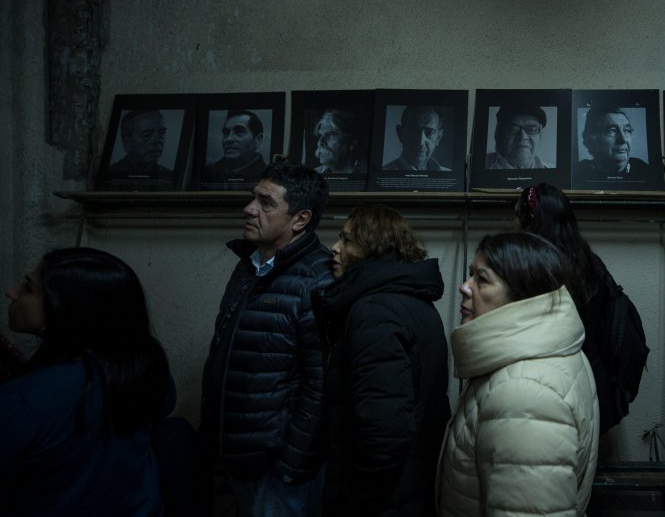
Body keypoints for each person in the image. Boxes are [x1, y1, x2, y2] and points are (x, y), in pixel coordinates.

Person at [200, 163, 332, 517]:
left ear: (300, 220)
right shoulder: (249, 265)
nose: (249, 208)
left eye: (266, 202)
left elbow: (321, 386)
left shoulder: (318, 280)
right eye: (251, 198)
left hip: (279, 469)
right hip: (239, 455)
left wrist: (291, 463)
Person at [0, 247, 175, 515]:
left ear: (63, 308)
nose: (11, 292)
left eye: (29, 288)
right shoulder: (147, 371)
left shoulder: (26, 399)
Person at [436, 231, 599, 516]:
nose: (464, 287)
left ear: (523, 297)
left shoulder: (523, 391)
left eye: (482, 279)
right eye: (470, 274)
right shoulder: (546, 349)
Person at [314, 204, 450, 516]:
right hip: (411, 486)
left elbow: (384, 432)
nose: (334, 248)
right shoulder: (411, 301)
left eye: (347, 240)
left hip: (382, 500)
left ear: (373, 249)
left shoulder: (375, 311)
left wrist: (355, 499)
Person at [514, 182, 648, 434]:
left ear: (529, 221)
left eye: (517, 214)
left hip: (552, 385)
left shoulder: (535, 269)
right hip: (593, 381)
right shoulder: (589, 261)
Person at [574, 106, 658, 182]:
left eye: (627, 130)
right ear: (590, 141)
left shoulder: (647, 172)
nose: (623, 139)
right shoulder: (578, 173)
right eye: (612, 131)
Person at [202, 109, 268, 183]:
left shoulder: (268, 176)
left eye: (239, 131)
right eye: (226, 133)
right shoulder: (208, 172)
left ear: (258, 140)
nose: (228, 139)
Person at [383, 105, 451, 172]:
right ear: (400, 133)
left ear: (438, 137)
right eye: (413, 131)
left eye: (430, 133)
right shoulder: (383, 174)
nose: (420, 142)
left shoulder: (448, 174)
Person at [108, 109, 173, 178]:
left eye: (162, 133)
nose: (157, 140)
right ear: (126, 141)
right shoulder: (110, 175)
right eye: (147, 134)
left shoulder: (169, 177)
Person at [485, 104, 551, 169]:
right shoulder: (479, 166)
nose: (523, 137)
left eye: (531, 129)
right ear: (498, 133)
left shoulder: (552, 170)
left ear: (540, 135)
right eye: (513, 129)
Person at [313, 108, 366, 174]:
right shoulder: (313, 175)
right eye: (320, 135)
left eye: (331, 134)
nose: (320, 142)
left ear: (352, 144)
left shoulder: (367, 173)